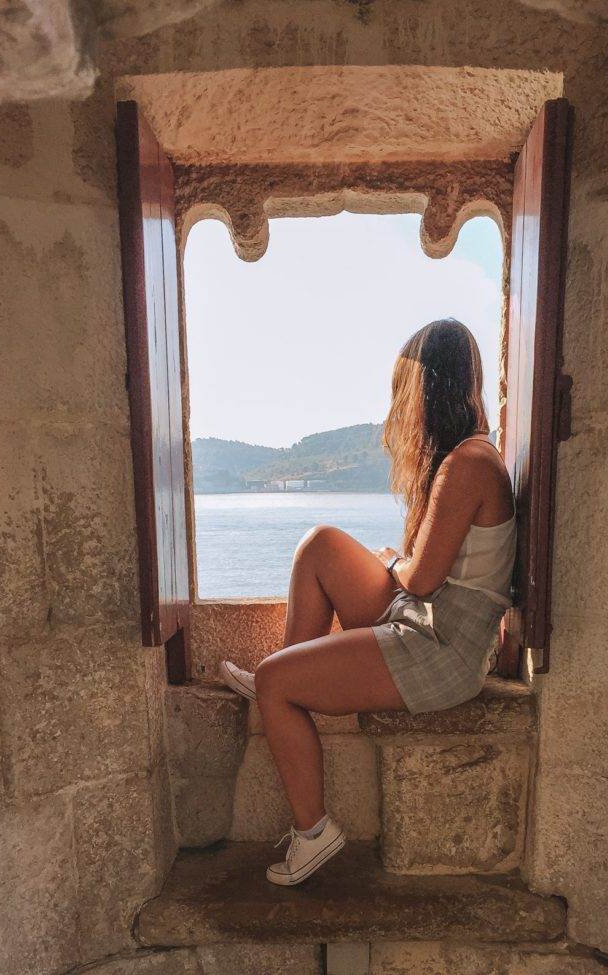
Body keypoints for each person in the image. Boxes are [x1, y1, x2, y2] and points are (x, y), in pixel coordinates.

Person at [219, 318, 516, 887]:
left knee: (276, 683)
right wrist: (397, 565)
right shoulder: (471, 457)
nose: (402, 409)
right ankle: (291, 674)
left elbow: (422, 578)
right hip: (432, 623)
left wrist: (393, 563)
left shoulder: (468, 465)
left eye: (408, 391)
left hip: (441, 646)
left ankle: (315, 832)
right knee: (322, 546)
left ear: (433, 389)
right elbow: (427, 574)